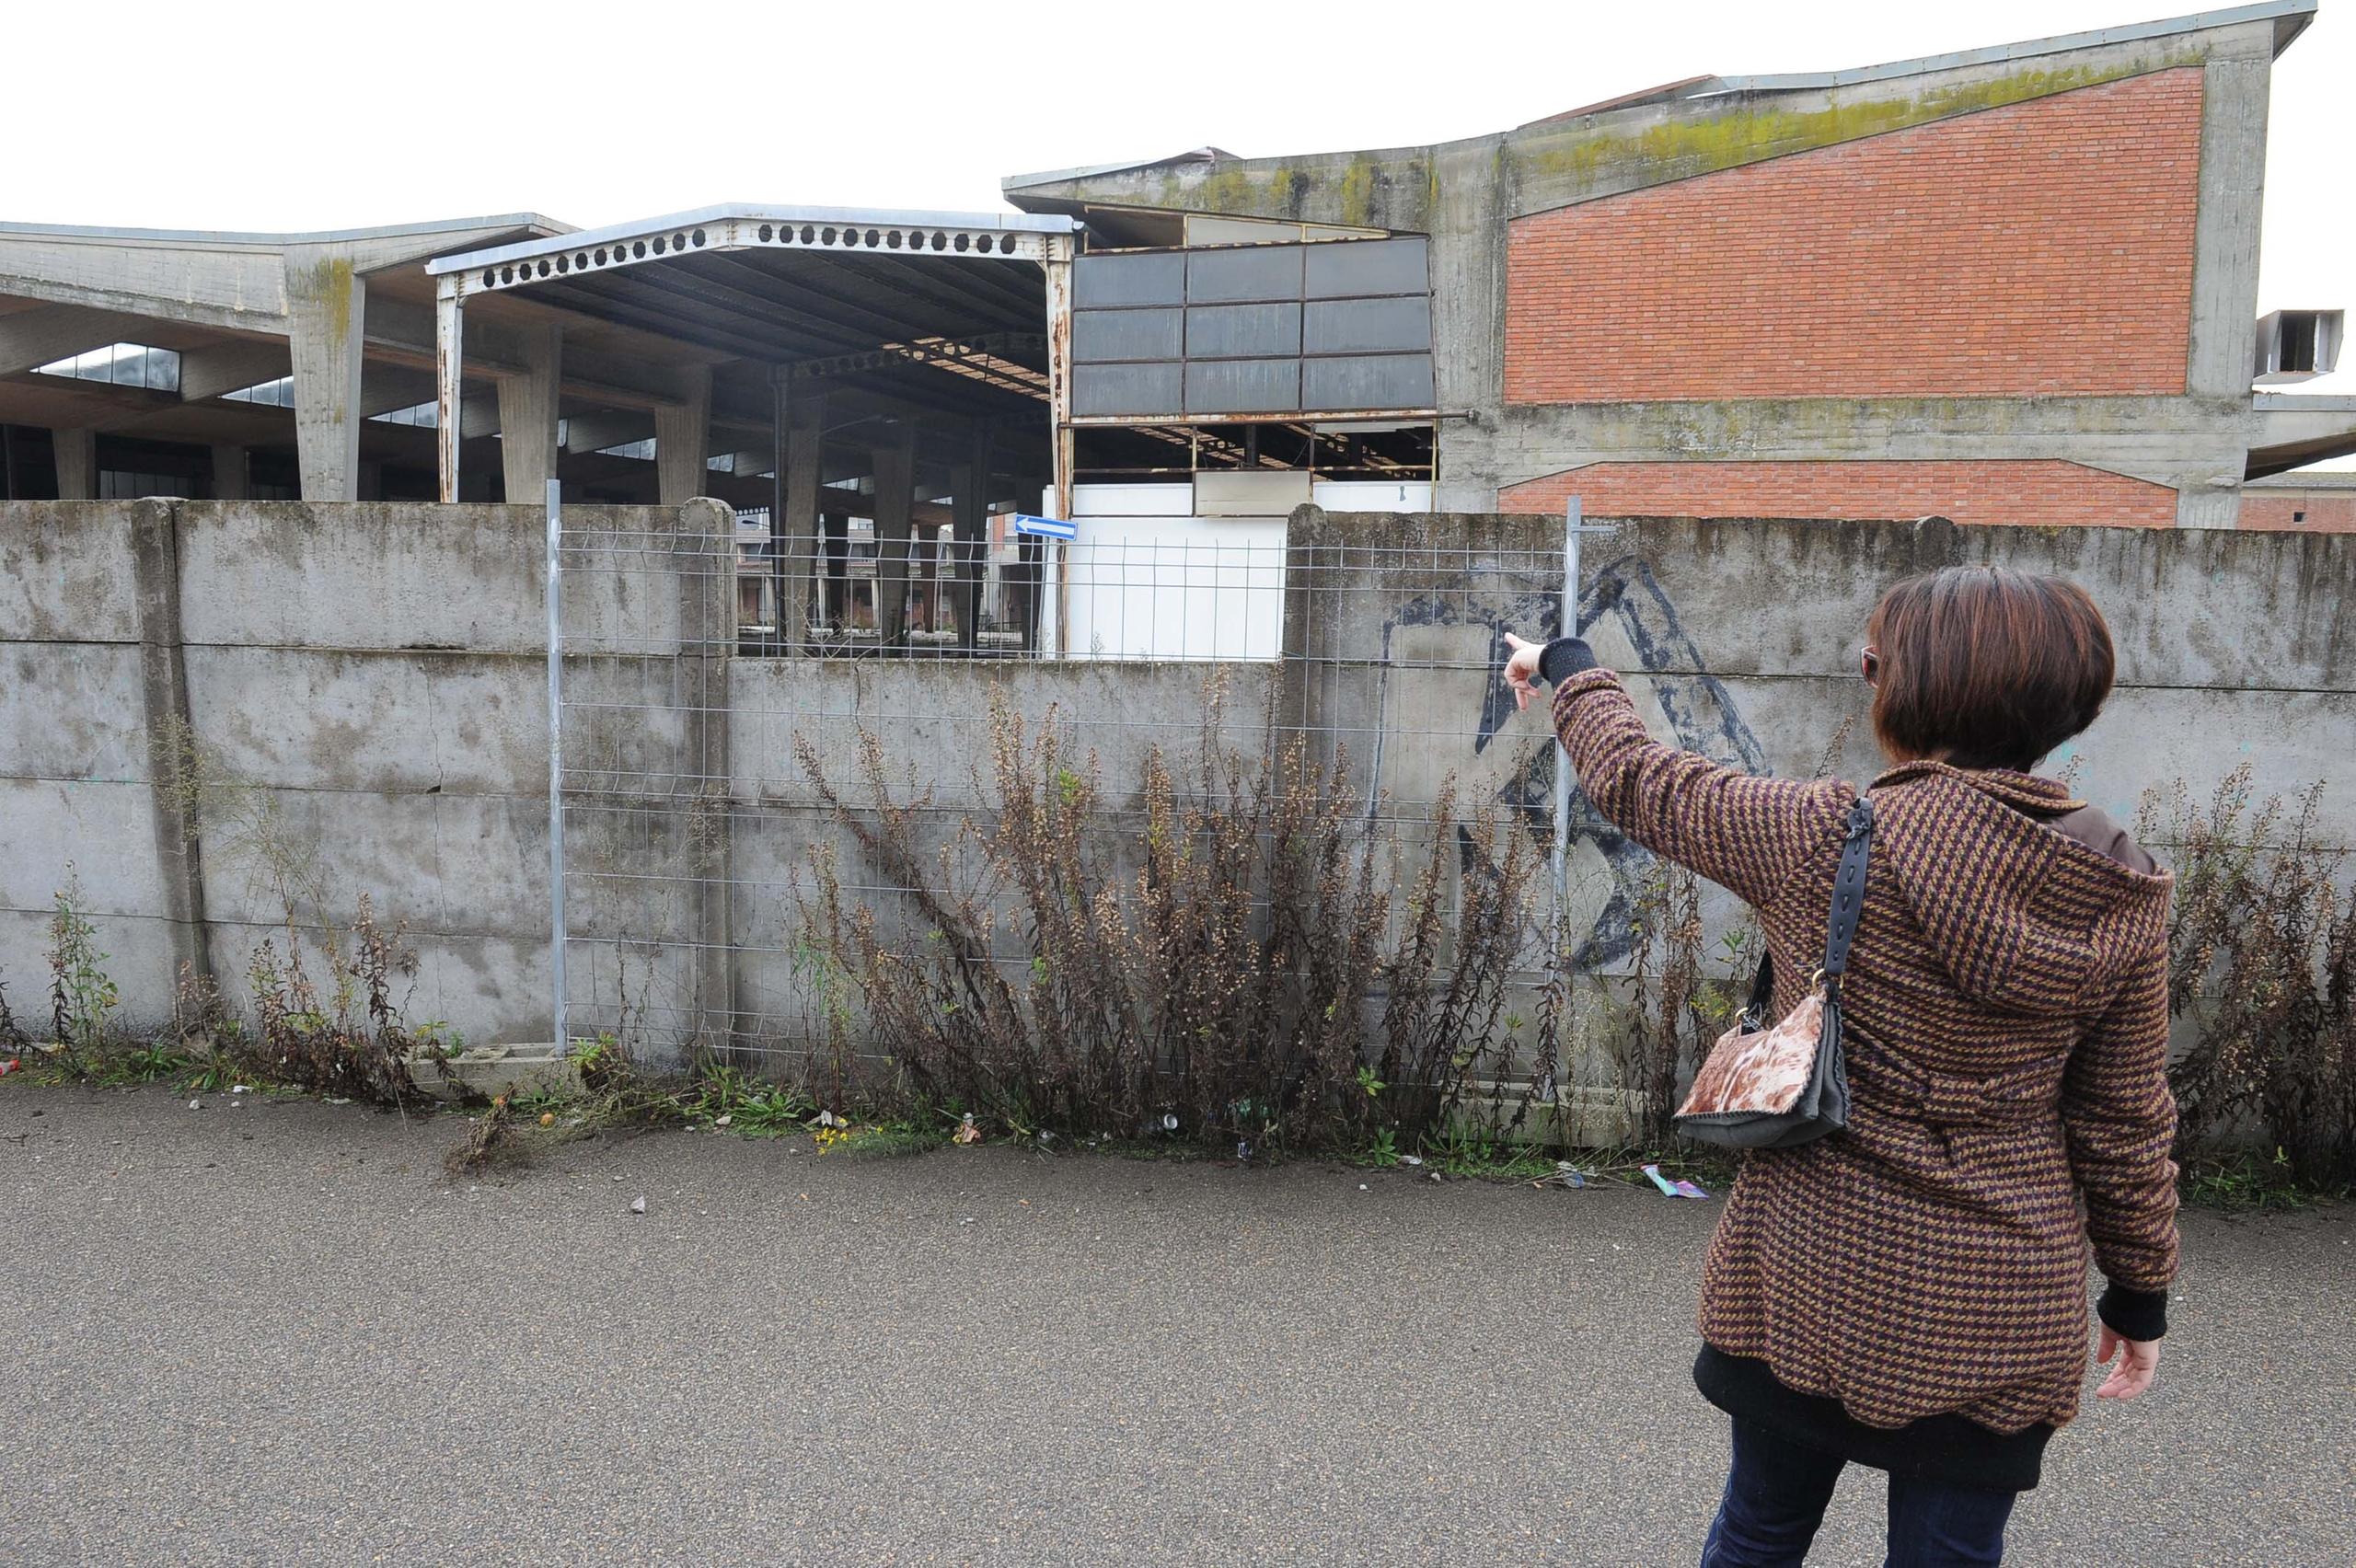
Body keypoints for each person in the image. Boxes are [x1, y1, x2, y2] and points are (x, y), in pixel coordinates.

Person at [1502, 565, 2177, 1568]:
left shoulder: (1822, 833)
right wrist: (2137, 1296)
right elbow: (2124, 1121)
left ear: (1898, 688)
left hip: (1808, 1273)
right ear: (2070, 707)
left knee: (1760, 1534)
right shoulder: (2119, 885)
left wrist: (1567, 667)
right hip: (1997, 1305)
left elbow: (1639, 777)